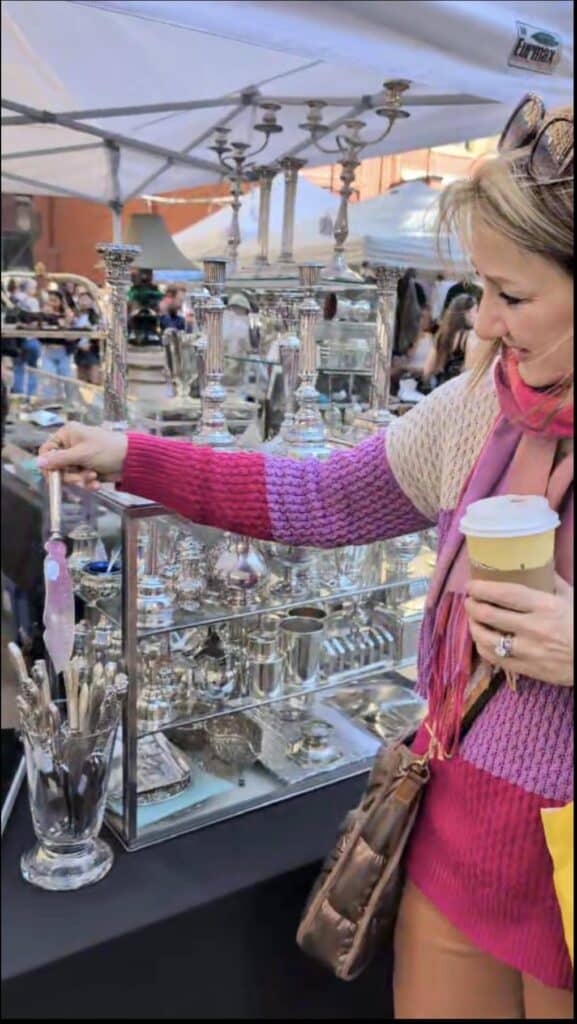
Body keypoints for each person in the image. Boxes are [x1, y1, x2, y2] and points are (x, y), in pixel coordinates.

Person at [38, 94, 574, 1018]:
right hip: (453, 834)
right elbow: (319, 498)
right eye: (480, 289)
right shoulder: (478, 404)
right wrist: (135, 455)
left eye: (512, 295)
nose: (481, 324)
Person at [423, 293, 479, 384]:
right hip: (457, 389)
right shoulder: (470, 336)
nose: (478, 315)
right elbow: (468, 370)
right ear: (467, 313)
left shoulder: (442, 335)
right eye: (476, 311)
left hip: (440, 387)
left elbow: (427, 371)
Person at [40, 290, 74, 386]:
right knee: (48, 380)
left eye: (54, 300)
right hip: (48, 350)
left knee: (66, 379)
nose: (51, 303)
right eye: (49, 300)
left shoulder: (67, 314)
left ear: (60, 301)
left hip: (63, 352)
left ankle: (69, 399)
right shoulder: (44, 314)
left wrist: (66, 319)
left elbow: (69, 331)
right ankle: (50, 399)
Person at [71, 291, 100, 384]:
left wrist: (91, 344)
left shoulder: (96, 317)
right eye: (82, 299)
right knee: (81, 378)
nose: (84, 302)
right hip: (78, 348)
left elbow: (99, 332)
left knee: (93, 377)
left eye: (86, 299)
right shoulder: (75, 316)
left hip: (92, 349)